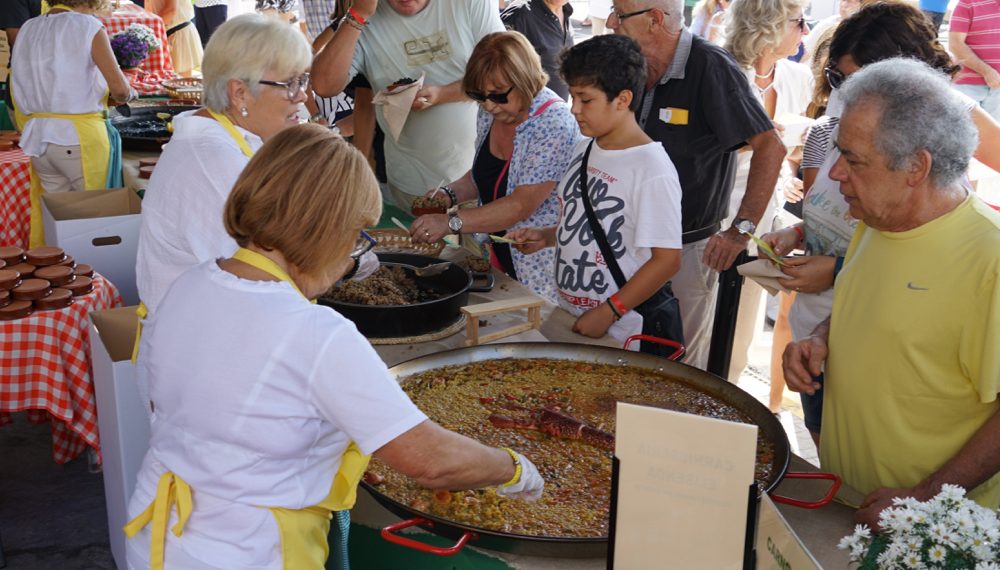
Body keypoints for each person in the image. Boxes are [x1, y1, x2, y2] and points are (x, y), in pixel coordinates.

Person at [124, 124, 545, 569]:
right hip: (246, 550)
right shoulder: (316, 334)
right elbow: (430, 460)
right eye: (355, 236)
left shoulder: (187, 284)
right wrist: (514, 468)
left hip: (157, 534)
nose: (351, 258)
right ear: (322, 230)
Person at [763, 0, 1000, 443]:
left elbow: (920, 257)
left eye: (855, 79)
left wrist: (834, 272)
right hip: (829, 332)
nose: (843, 92)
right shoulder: (837, 134)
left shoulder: (950, 121)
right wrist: (798, 234)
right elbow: (844, 230)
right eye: (837, 77)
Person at [782, 58, 1000, 528]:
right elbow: (865, 304)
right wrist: (821, 338)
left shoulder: (990, 258)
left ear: (916, 167)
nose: (836, 174)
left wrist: (921, 498)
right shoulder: (877, 220)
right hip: (846, 506)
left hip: (925, 531)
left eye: (854, 160)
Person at [608, 0, 785, 371]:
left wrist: (742, 229)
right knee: (624, 360)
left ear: (654, 20)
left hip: (685, 251)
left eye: (618, 13)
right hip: (626, 245)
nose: (610, 22)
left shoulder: (709, 66)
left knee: (677, 367)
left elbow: (770, 146)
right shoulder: (630, 64)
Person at [136, 15, 317, 316]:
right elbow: (252, 277)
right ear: (240, 93)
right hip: (200, 338)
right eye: (291, 84)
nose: (303, 95)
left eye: (304, 80)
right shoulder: (214, 162)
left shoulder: (229, 138)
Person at [510, 34, 682, 349]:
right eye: (573, 97)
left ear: (623, 99)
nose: (574, 109)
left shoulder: (651, 168)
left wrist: (610, 311)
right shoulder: (583, 148)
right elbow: (587, 223)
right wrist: (548, 237)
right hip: (571, 315)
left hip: (623, 332)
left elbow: (667, 260)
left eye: (585, 99)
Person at [409, 31, 580, 303]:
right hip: (502, 255)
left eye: (498, 95)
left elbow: (519, 205)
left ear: (525, 80)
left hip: (542, 267)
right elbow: (484, 175)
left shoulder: (553, 123)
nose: (488, 104)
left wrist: (450, 222)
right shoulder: (492, 111)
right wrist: (449, 194)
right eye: (479, 95)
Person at [311, 0, 505, 209]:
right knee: (415, 240)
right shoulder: (365, 15)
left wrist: (442, 94)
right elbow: (323, 85)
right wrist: (357, 14)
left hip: (477, 179)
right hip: (409, 184)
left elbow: (504, 72)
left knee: (477, 240)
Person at [723, 0, 813, 383]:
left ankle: (732, 390)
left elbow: (787, 149)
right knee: (710, 317)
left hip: (768, 213)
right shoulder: (724, 72)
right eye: (800, 21)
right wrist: (757, 140)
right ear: (769, 25)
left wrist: (788, 166)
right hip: (720, 207)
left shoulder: (797, 77)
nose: (806, 31)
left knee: (745, 321)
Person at [10, 0, 134, 248]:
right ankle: (93, 281)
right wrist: (129, 95)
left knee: (58, 225)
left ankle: (61, 278)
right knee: (92, 227)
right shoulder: (88, 26)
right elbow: (119, 89)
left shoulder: (27, 28)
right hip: (80, 139)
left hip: (40, 139)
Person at [501, 0, 575, 99]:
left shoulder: (565, 10)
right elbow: (498, 64)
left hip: (558, 107)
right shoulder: (520, 14)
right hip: (529, 108)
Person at [949, 0, 1000, 121]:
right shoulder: (967, 3)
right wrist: (987, 72)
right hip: (967, 86)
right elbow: (955, 44)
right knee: (964, 135)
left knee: (996, 137)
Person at [144, 0, 204, 78]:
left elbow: (171, 10)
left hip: (178, 34)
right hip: (162, 33)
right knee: (166, 81)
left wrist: (152, 30)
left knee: (181, 83)